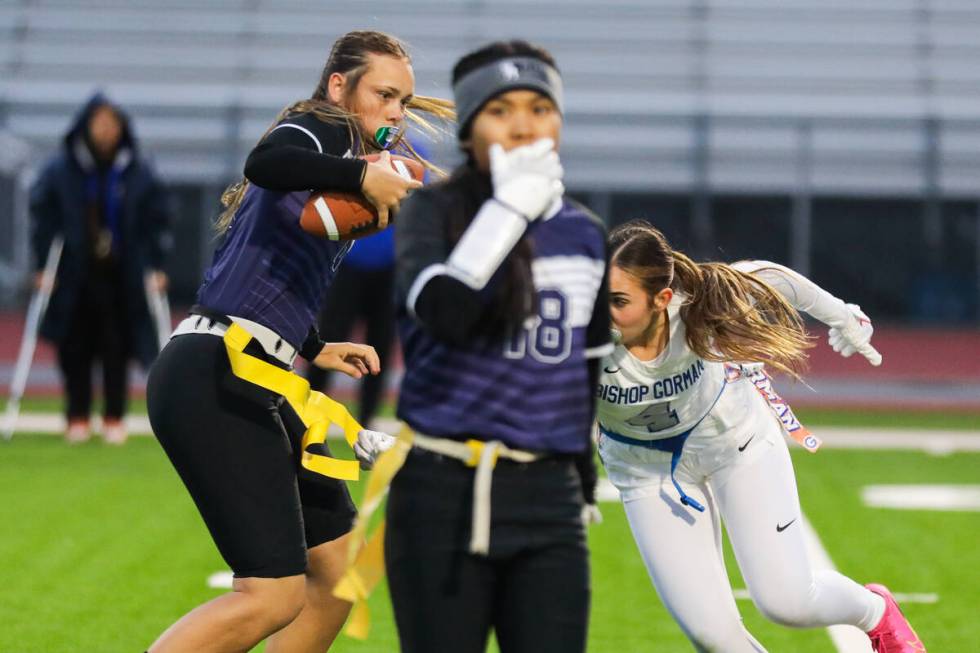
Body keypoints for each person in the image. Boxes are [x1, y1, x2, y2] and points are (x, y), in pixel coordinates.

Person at [144, 31, 451, 653]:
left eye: (404, 101)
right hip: (216, 374)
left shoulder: (339, 152)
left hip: (256, 370)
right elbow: (266, 161)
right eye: (384, 95)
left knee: (336, 577)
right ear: (340, 86)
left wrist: (313, 344)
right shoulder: (322, 125)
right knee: (271, 594)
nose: (396, 112)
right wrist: (360, 173)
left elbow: (256, 268)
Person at [595, 220, 926, 653]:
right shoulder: (578, 332)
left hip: (734, 442)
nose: (605, 313)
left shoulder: (696, 300)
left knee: (788, 602)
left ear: (662, 299)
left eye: (619, 301)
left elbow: (773, 277)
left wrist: (843, 316)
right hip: (643, 471)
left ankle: (875, 613)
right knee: (715, 638)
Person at [379, 40, 611, 653]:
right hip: (442, 491)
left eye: (540, 107)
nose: (523, 124)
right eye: (500, 109)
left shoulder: (584, 233)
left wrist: (581, 479)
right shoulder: (430, 211)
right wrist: (509, 211)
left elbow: (585, 367)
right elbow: (446, 315)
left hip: (548, 497)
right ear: (470, 125)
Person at [29, 93, 173, 444]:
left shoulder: (136, 168)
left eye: (113, 124)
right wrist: (41, 265)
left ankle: (114, 415)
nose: (106, 131)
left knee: (117, 345)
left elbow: (157, 219)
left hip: (121, 272)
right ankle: (76, 414)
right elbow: (43, 218)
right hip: (75, 270)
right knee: (74, 344)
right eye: (100, 124)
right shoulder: (62, 169)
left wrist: (157, 263)